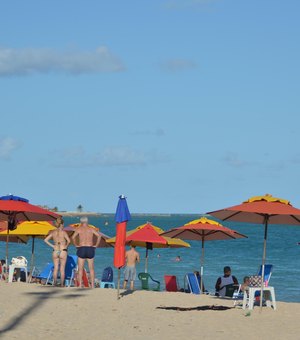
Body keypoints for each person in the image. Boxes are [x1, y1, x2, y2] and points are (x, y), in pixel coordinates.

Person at [71, 217, 101, 288]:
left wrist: (76, 245)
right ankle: (93, 285)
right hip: (90, 248)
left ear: (81, 222)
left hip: (81, 248)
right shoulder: (91, 229)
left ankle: (80, 285)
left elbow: (73, 237)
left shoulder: (79, 229)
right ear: (87, 222)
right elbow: (99, 236)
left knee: (80, 268)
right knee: (91, 268)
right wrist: (96, 245)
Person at [44, 217, 71, 287]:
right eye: (63, 224)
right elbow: (69, 241)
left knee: (56, 268)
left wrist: (52, 246)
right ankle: (62, 284)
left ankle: (55, 283)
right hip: (62, 250)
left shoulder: (53, 232)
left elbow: (45, 240)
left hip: (55, 250)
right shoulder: (64, 232)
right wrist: (66, 246)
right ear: (62, 224)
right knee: (62, 269)